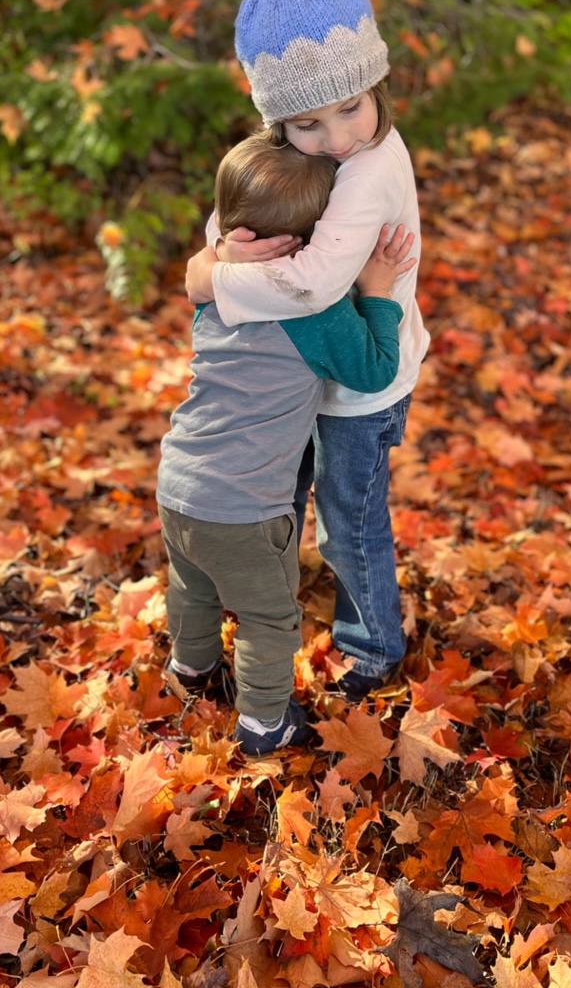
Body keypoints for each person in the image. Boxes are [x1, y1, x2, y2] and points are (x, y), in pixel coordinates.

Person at [185, 0, 429, 701]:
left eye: (351, 109)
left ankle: (373, 646)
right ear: (278, 122)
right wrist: (222, 245)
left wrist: (213, 279)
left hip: (364, 378)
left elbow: (318, 280)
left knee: (348, 517)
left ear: (375, 85)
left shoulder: (371, 168)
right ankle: (266, 601)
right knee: (283, 492)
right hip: (304, 375)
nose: (332, 137)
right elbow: (239, 211)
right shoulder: (307, 151)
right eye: (306, 123)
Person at [156, 131, 413, 756]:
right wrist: (376, 295)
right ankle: (265, 722)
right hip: (244, 507)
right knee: (269, 618)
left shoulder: (218, 291)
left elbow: (209, 275)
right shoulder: (315, 311)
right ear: (312, 242)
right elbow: (374, 370)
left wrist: (219, 255)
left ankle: (190, 671)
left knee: (193, 587)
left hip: (179, 484)